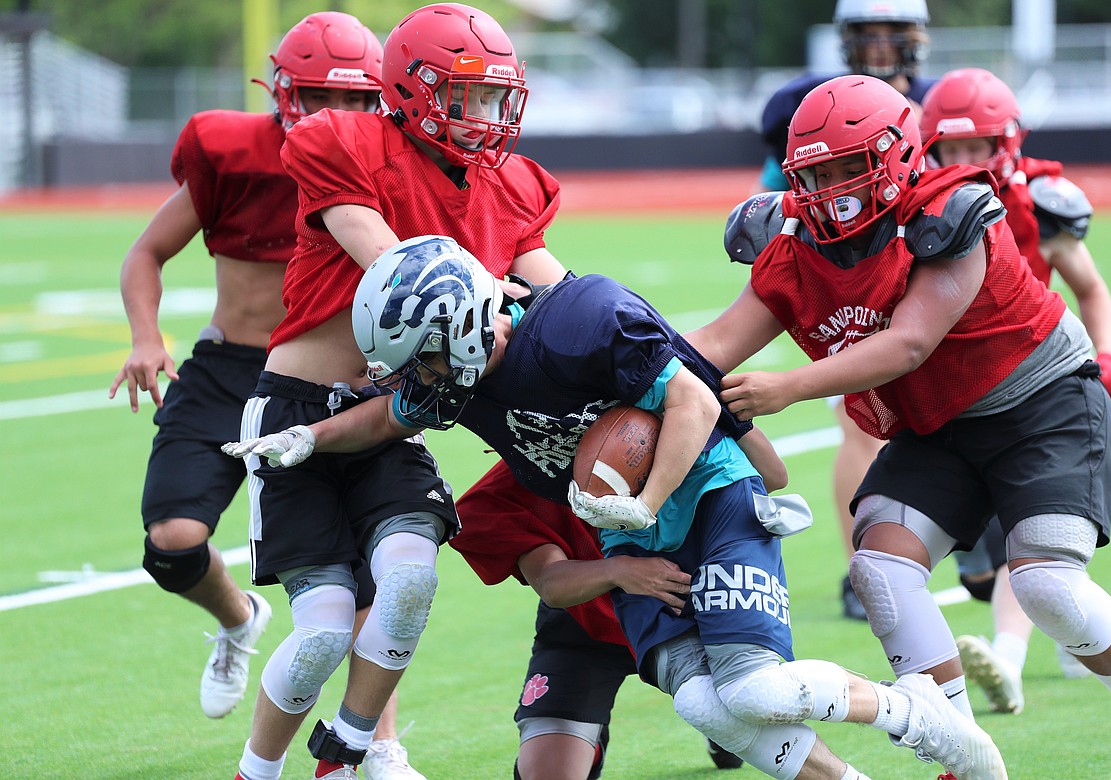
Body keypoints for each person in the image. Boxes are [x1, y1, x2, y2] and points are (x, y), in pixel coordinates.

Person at [225, 235, 1009, 780]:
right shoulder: (457, 380)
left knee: (755, 691)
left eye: (422, 358)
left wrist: (651, 502)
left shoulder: (578, 319)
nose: (419, 378)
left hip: (706, 496)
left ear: (462, 326)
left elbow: (696, 404)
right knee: (709, 706)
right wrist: (311, 436)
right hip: (631, 535)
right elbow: (393, 414)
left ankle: (912, 713)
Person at [695, 73, 1111, 778]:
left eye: (847, 167)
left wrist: (787, 387)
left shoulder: (950, 211)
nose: (830, 189)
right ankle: (961, 750)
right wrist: (624, 368)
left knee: (1045, 584)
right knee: (881, 569)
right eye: (814, 173)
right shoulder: (789, 241)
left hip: (1040, 402)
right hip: (938, 424)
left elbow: (909, 342)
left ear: (897, 157)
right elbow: (713, 347)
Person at [225, 5, 575, 780]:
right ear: (414, 90)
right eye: (467, 97)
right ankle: (256, 771)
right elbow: (404, 279)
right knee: (319, 632)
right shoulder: (344, 141)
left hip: (392, 419)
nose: (485, 118)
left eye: (494, 99)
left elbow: (558, 302)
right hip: (298, 407)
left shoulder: (507, 184)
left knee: (411, 578)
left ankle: (352, 749)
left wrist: (621, 344)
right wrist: (494, 298)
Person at [108, 8, 401, 733]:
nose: (338, 114)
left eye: (357, 99)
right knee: (173, 543)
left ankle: (380, 746)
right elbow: (145, 253)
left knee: (367, 574)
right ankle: (239, 618)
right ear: (280, 93)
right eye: (319, 97)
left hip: (328, 383)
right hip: (232, 368)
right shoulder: (231, 153)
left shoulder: (388, 160)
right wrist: (147, 337)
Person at [918, 66, 1111, 714]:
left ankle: (1007, 660)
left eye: (975, 149)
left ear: (1004, 144)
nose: (961, 162)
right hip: (961, 399)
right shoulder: (921, 210)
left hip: (1037, 389)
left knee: (1025, 541)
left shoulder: (1042, 204)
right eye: (948, 150)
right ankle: (1077, 623)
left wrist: (1109, 355)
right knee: (981, 571)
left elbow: (1091, 288)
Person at [755, 0, 937, 622]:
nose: (880, 45)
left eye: (892, 33)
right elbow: (780, 199)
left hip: (925, 281)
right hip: (848, 280)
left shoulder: (943, 102)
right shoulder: (803, 106)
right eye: (866, 33)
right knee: (861, 421)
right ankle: (862, 569)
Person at [450, 461, 742, 778]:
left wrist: (738, 418)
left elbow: (773, 475)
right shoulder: (525, 463)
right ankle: (587, 737)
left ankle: (721, 718)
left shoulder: (678, 421)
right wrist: (617, 570)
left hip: (692, 614)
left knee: (756, 705)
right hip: (587, 622)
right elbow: (551, 583)